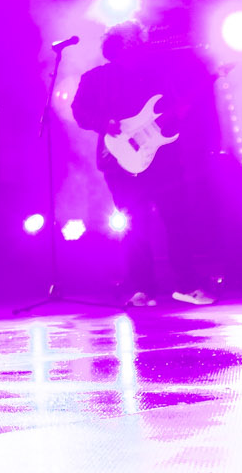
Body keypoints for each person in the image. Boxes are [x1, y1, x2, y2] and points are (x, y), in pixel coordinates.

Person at [70, 19, 224, 306]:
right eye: (137, 40)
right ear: (123, 45)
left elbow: (172, 107)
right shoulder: (94, 78)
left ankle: (186, 285)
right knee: (133, 224)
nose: (142, 43)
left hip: (162, 157)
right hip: (119, 159)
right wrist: (104, 123)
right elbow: (79, 111)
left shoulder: (155, 74)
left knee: (177, 219)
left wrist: (181, 110)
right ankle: (142, 288)